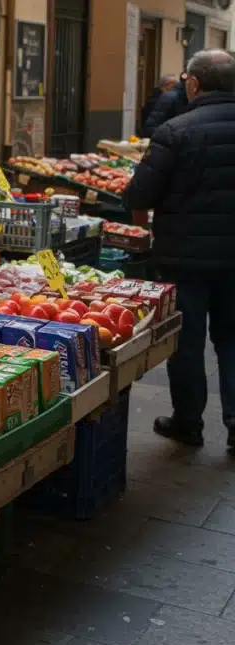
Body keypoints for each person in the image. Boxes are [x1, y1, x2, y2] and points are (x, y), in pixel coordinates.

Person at [124, 49, 235, 448]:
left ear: (193, 83)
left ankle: (189, 422)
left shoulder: (175, 131)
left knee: (186, 341)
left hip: (183, 256)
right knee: (231, 339)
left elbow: (139, 193)